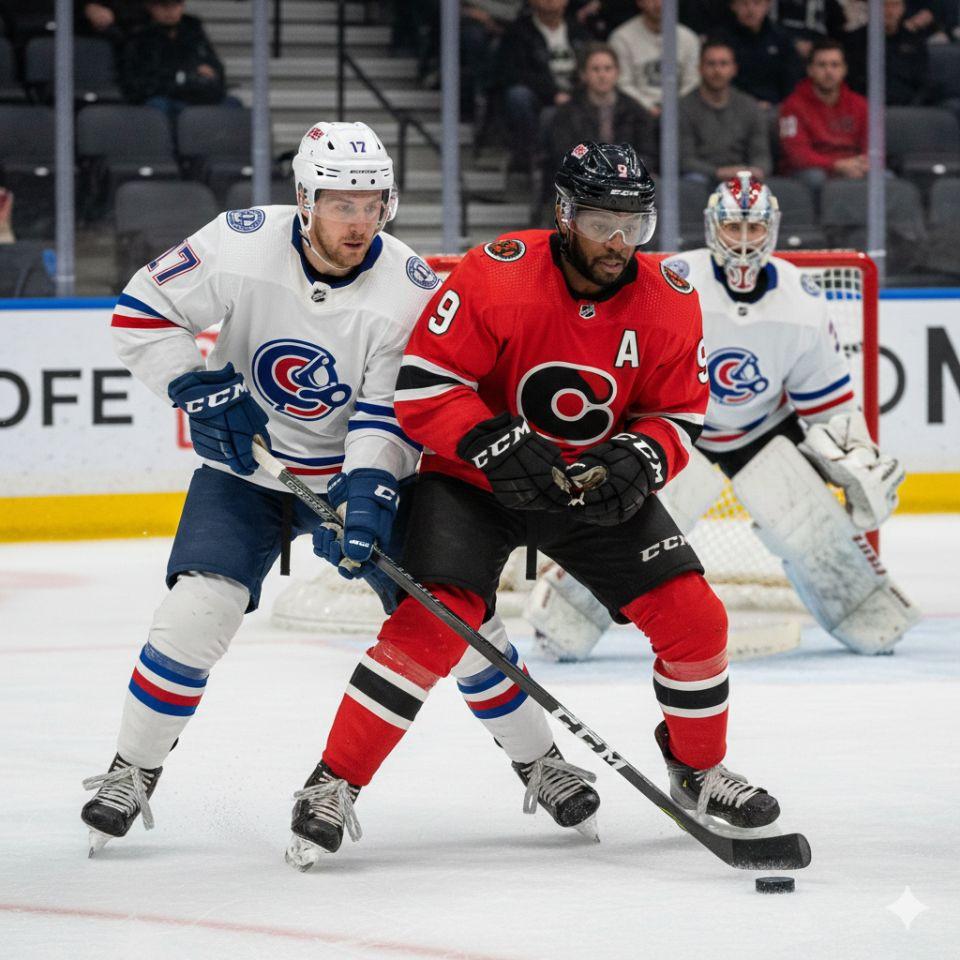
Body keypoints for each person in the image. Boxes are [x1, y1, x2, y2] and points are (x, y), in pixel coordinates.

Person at [79, 119, 596, 860]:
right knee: (196, 610)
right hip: (247, 473)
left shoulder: (412, 287)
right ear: (304, 198)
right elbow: (140, 312)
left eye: (372, 203)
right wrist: (194, 385)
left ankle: (539, 760)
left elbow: (391, 408)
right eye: (340, 203)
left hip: (359, 475)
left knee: (452, 617)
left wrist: (366, 492)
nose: (359, 221)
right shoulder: (241, 240)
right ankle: (131, 770)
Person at [289, 142, 786, 867]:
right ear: (562, 214)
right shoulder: (495, 272)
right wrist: (489, 442)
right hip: (473, 483)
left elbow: (679, 412)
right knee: (436, 625)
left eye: (634, 225)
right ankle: (332, 783)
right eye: (599, 222)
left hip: (590, 486)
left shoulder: (670, 298)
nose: (618, 243)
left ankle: (698, 770)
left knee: (695, 618)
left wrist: (642, 455)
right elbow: (424, 386)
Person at [525, 172, 918, 664]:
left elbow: (827, 405)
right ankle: (565, 615)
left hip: (760, 429)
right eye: (735, 228)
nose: (745, 241)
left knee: (807, 527)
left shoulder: (803, 299)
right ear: (713, 228)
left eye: (755, 229)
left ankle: (870, 616)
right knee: (629, 525)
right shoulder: (671, 280)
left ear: (772, 230)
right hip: (677, 423)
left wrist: (855, 460)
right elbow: (622, 357)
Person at [538, 42, 658, 222]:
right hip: (581, 188)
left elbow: (648, 154)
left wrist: (623, 175)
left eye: (608, 68)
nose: (602, 75)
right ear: (584, 75)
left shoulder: (635, 111)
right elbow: (563, 156)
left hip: (627, 187)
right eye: (595, 69)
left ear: (617, 72)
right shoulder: (566, 113)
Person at [494, 0, 592, 174]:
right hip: (539, 99)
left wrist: (576, 94)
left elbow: (591, 66)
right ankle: (531, 156)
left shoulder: (579, 31)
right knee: (518, 96)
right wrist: (554, 94)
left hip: (577, 97)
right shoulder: (518, 32)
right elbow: (513, 74)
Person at [119, 0, 239, 119]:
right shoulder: (140, 38)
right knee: (158, 107)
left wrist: (211, 74)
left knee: (232, 103)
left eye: (175, 5)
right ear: (151, 8)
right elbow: (139, 82)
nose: (170, 11)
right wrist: (186, 75)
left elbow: (214, 67)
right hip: (165, 97)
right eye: (164, 6)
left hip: (198, 94)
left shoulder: (193, 30)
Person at [777, 37, 868, 192]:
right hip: (811, 172)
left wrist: (863, 165)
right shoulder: (792, 106)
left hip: (853, 168)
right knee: (815, 177)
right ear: (810, 70)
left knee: (884, 179)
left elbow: (873, 148)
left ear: (844, 70)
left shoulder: (861, 104)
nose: (828, 71)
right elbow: (798, 155)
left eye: (835, 65)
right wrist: (837, 166)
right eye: (822, 65)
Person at [679, 37, 771, 183]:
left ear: (734, 69)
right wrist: (718, 173)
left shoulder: (750, 106)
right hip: (702, 178)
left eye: (724, 64)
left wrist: (756, 170)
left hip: (742, 178)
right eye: (711, 64)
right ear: (700, 69)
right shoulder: (683, 108)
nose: (717, 70)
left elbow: (761, 155)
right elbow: (684, 160)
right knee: (693, 181)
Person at [608, 0, 700, 117]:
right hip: (635, 114)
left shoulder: (689, 39)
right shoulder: (621, 38)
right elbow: (622, 83)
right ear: (640, 2)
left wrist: (674, 107)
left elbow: (692, 82)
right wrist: (648, 107)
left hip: (681, 113)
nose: (658, 4)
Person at [724, 0, 805, 109]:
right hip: (734, 109)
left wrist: (781, 105)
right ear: (733, 6)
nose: (750, 10)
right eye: (744, 4)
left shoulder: (781, 39)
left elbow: (792, 79)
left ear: (767, 5)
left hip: (777, 108)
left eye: (757, 3)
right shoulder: (722, 41)